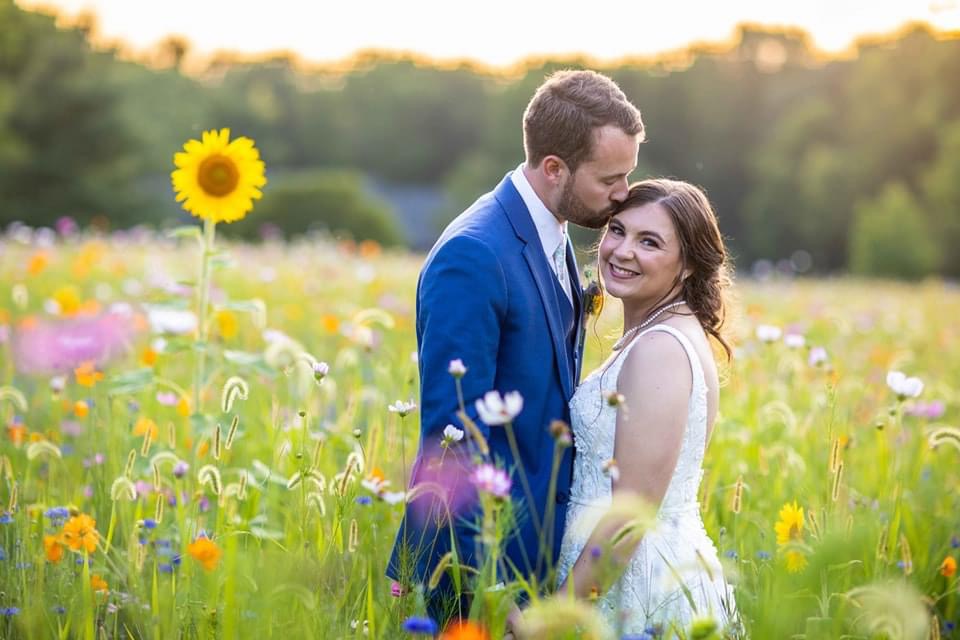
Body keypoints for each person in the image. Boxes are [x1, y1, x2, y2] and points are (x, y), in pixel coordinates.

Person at [386, 69, 645, 625]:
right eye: (610, 179)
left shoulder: (549, 229)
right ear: (554, 168)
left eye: (629, 174)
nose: (623, 194)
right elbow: (452, 434)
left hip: (539, 548)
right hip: (481, 565)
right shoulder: (473, 255)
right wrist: (487, 584)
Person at [547, 178, 738, 636]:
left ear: (688, 264)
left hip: (637, 584)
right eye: (618, 230)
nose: (622, 251)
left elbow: (630, 517)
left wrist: (550, 622)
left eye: (648, 242)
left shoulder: (660, 350)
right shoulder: (656, 333)